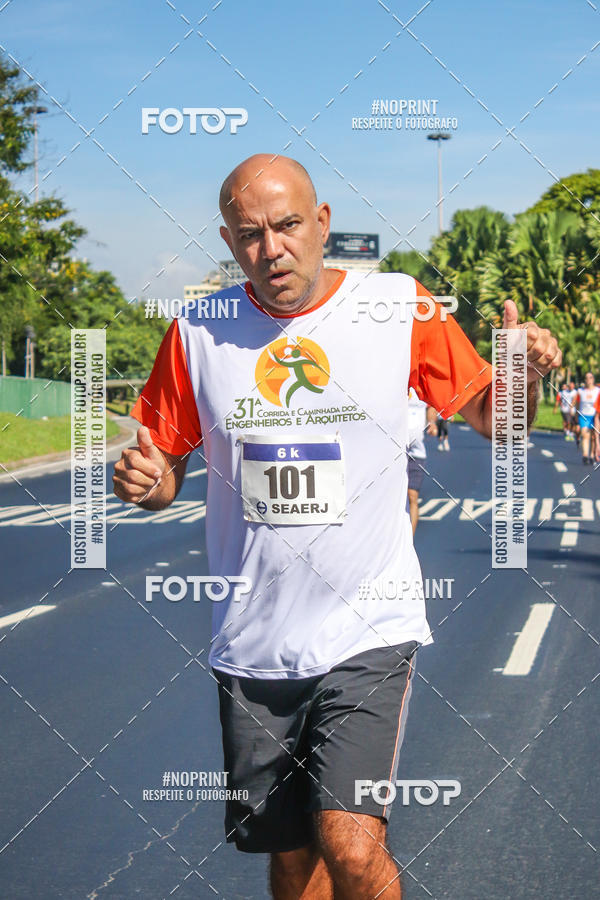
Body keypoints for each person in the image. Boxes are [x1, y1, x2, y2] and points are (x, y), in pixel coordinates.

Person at [113, 154, 561, 899]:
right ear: (230, 243)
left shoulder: (400, 308)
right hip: (253, 640)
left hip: (368, 627)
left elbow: (498, 421)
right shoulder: (200, 332)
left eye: (288, 226)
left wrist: (523, 372)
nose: (272, 248)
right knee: (292, 858)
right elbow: (162, 469)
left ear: (321, 225)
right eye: (251, 234)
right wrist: (145, 482)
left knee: (350, 845)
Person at [406, 387, 436, 533]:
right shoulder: (397, 383)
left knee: (412, 496)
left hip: (416, 453)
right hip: (395, 452)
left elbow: (430, 409)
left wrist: (432, 423)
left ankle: (409, 541)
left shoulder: (422, 388)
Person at [575, 372, 600, 464]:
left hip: (595, 416)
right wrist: (576, 416)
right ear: (585, 380)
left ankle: (592, 455)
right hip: (583, 415)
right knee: (585, 435)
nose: (588, 380)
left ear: (593, 379)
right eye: (586, 378)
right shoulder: (580, 391)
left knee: (594, 437)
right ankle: (585, 455)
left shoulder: (598, 391)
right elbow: (577, 404)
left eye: (590, 378)